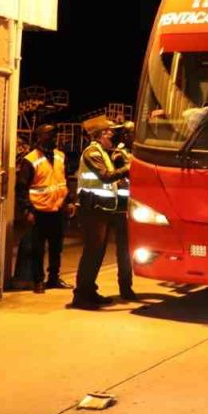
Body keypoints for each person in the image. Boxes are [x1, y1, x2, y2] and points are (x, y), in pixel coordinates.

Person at [69, 117, 130, 310]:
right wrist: (129, 168)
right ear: (99, 135)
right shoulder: (92, 152)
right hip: (91, 210)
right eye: (108, 131)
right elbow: (105, 177)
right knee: (91, 253)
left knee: (97, 253)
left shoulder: (103, 152)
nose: (112, 134)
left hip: (100, 209)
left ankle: (89, 291)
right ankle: (81, 296)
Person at [15, 124, 75, 293]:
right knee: (38, 249)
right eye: (49, 135)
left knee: (57, 248)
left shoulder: (60, 156)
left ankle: (54, 278)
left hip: (58, 210)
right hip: (39, 211)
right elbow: (21, 187)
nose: (53, 138)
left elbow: (65, 180)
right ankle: (38, 281)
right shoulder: (30, 160)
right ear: (39, 137)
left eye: (54, 135)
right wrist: (27, 210)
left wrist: (69, 201)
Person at [109, 120, 137, 300]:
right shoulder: (119, 154)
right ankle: (125, 287)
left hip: (136, 204)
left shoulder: (136, 152)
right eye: (132, 133)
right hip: (122, 206)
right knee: (124, 249)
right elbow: (123, 174)